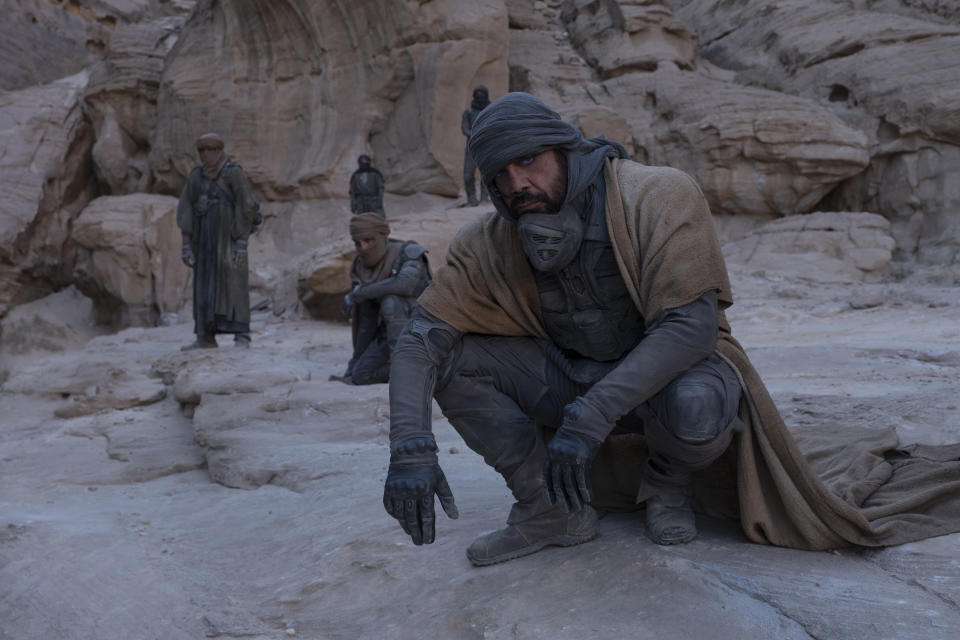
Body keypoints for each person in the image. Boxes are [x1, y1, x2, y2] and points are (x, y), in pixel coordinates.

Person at [381, 92, 960, 567]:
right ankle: (550, 509)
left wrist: (590, 415)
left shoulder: (654, 194)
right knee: (455, 361)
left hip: (665, 380)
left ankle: (666, 486)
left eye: (529, 162)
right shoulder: (490, 238)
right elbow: (420, 339)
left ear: (565, 149)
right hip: (567, 376)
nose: (517, 185)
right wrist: (410, 450)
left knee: (700, 402)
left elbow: (691, 327)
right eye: (500, 175)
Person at [177, 133, 261, 350]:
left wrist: (241, 242)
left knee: (234, 285)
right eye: (202, 151)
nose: (206, 155)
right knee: (204, 286)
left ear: (219, 151)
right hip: (203, 241)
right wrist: (187, 244)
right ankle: (205, 337)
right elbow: (185, 209)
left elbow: (246, 206)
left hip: (229, 240)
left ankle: (242, 335)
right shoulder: (196, 175)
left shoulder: (234, 173)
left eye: (211, 150)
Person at [341, 212, 431, 385]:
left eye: (369, 241)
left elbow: (404, 284)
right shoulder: (361, 267)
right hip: (387, 333)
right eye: (358, 243)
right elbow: (365, 322)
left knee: (391, 301)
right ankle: (412, 369)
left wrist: (359, 293)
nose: (364, 247)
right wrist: (354, 362)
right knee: (361, 375)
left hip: (421, 329)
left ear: (382, 236)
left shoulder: (408, 253)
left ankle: (408, 368)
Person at [461, 85, 491, 206]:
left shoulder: (490, 111)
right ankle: (471, 200)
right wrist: (476, 134)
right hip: (471, 147)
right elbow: (464, 129)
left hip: (487, 145)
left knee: (487, 173)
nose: (480, 96)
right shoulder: (467, 113)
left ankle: (485, 198)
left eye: (482, 94)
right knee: (468, 175)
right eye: (477, 94)